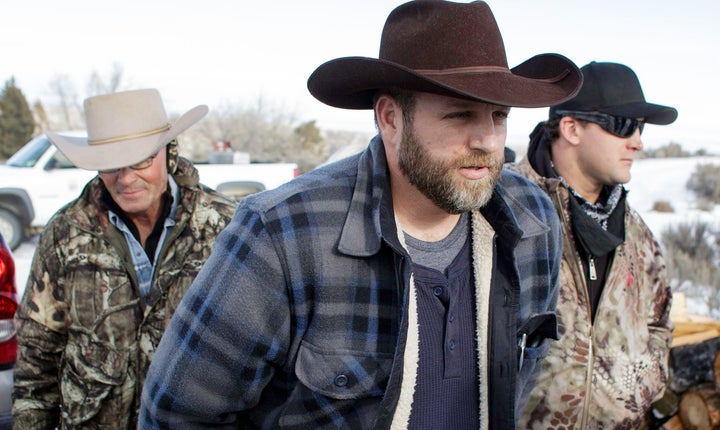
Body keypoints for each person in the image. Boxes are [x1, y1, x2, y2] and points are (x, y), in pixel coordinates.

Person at [140, 1, 583, 428]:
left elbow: (523, 374)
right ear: (391, 119)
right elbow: (180, 415)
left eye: (499, 115)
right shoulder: (282, 235)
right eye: (459, 114)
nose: (488, 140)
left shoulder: (533, 223)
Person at [12, 88, 237, 428]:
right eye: (111, 164)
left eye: (141, 159)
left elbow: (260, 351)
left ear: (168, 151)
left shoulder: (227, 229)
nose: (126, 178)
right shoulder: (64, 233)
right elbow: (36, 357)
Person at [511, 62, 676, 429]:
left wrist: (641, 389)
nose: (637, 140)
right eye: (623, 124)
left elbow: (659, 324)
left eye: (641, 127)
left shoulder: (637, 233)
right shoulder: (505, 211)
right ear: (571, 128)